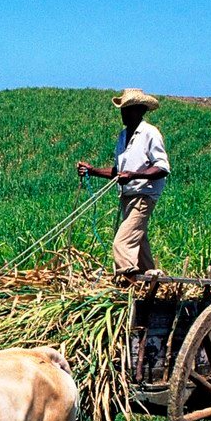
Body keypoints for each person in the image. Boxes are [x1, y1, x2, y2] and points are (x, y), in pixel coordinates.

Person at [76, 88, 171, 282]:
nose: (123, 113)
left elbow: (162, 167)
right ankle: (151, 279)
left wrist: (134, 175)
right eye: (122, 109)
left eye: (128, 109)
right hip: (127, 195)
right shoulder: (123, 136)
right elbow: (119, 172)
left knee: (122, 242)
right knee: (138, 239)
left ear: (140, 110)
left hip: (144, 195)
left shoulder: (149, 133)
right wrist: (92, 170)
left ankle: (130, 282)